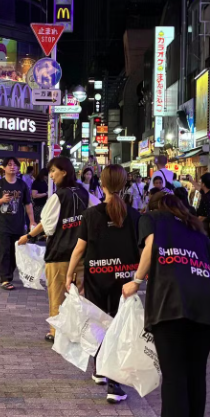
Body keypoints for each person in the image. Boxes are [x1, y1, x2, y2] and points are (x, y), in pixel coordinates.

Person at [122, 188, 210, 417]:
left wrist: (137, 281)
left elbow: (151, 248)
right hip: (206, 301)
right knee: (194, 373)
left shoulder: (152, 218)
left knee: (175, 374)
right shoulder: (195, 226)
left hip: (172, 300)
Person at [66, 164, 140, 404]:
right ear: (124, 184)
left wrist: (69, 275)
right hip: (124, 280)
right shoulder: (134, 215)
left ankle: (99, 369)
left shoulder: (91, 214)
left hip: (96, 276)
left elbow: (79, 249)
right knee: (117, 328)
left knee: (99, 323)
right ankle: (114, 384)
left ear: (102, 185)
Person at [19, 157, 90, 342]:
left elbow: (47, 226)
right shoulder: (84, 192)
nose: (51, 175)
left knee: (57, 294)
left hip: (59, 253)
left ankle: (56, 332)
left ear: (64, 172)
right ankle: (78, 330)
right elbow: (97, 211)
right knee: (79, 295)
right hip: (82, 253)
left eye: (54, 171)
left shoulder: (58, 196)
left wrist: (28, 236)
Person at [0, 156, 35, 290]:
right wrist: (2, 200)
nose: (12, 167)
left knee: (15, 252)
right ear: (3, 168)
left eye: (15, 165)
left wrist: (32, 221)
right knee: (4, 252)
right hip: (1, 225)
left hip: (18, 225)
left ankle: (9, 276)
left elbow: (28, 204)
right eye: (9, 165)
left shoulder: (22, 185)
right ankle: (5, 278)